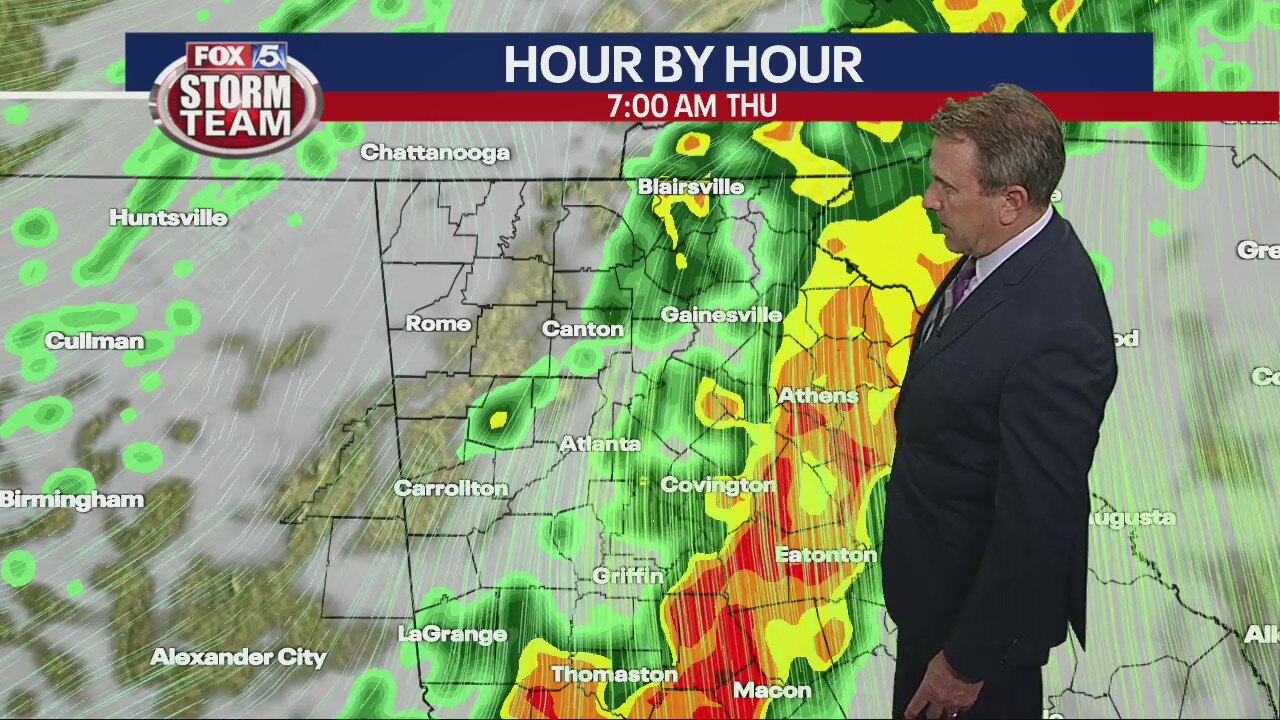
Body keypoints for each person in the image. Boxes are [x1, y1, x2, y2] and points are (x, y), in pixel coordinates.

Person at [882, 84, 1119, 719]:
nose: (929, 199)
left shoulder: (1058, 326)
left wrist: (967, 662)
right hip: (937, 607)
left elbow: (1038, 519)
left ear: (1011, 201)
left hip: (975, 649)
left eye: (947, 187)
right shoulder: (998, 254)